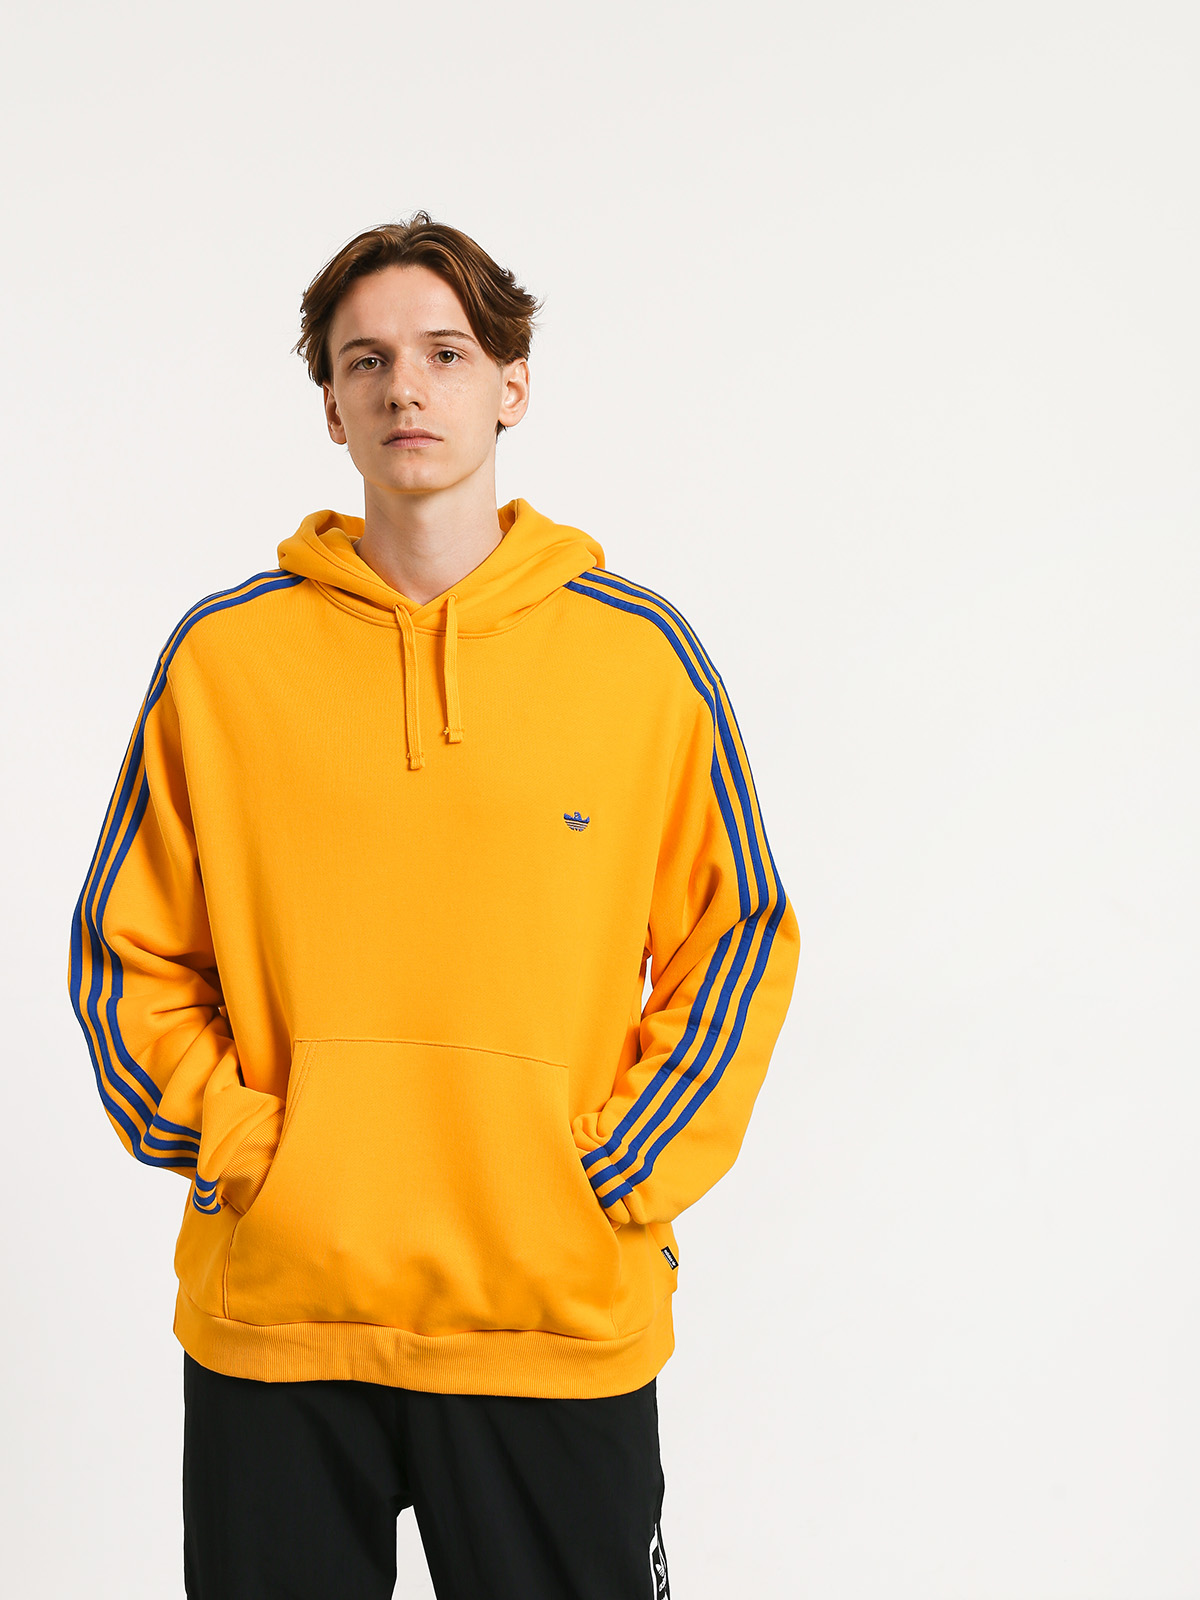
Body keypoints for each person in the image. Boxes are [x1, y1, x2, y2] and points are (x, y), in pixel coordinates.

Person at [67, 211, 801, 1599]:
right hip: (281, 1326)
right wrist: (241, 1143)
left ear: (511, 383)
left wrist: (624, 1165)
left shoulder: (640, 660)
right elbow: (126, 953)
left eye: (446, 353)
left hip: (551, 1322)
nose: (407, 387)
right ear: (331, 407)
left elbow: (739, 932)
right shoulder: (224, 663)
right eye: (368, 361)